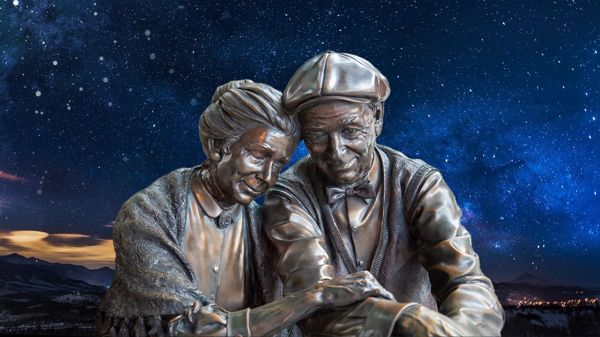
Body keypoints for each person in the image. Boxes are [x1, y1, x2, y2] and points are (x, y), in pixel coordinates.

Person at [97, 79, 393, 337]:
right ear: (216, 146)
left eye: (279, 164)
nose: (267, 176)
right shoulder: (148, 214)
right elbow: (190, 328)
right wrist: (315, 297)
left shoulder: (260, 224)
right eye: (258, 155)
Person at [263, 52, 505, 336]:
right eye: (317, 135)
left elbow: (465, 281)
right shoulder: (287, 197)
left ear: (377, 117)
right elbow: (314, 302)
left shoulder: (420, 184)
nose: (337, 152)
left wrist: (463, 331)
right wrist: (400, 320)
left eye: (351, 130)